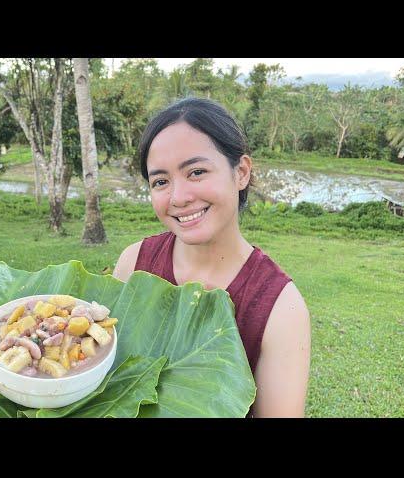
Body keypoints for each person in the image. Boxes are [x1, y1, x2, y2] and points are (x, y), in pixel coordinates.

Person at [112, 97, 311, 417]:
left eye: (196, 172)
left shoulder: (279, 307)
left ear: (242, 172)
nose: (179, 197)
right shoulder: (133, 264)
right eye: (161, 181)